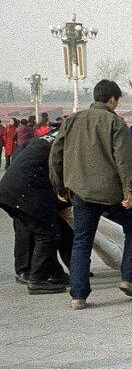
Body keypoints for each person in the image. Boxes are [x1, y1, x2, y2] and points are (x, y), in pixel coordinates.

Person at [48, 79, 132, 309]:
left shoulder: (72, 120)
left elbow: (55, 155)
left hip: (81, 192)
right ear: (112, 99)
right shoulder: (114, 122)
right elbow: (124, 159)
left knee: (82, 241)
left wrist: (59, 187)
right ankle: (129, 278)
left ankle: (78, 296)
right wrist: (130, 190)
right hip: (111, 192)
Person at [0, 117, 70, 294]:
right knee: (48, 233)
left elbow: (18, 154)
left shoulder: (44, 139)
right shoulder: (67, 143)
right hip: (27, 191)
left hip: (9, 187)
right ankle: (37, 279)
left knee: (41, 230)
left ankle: (54, 273)